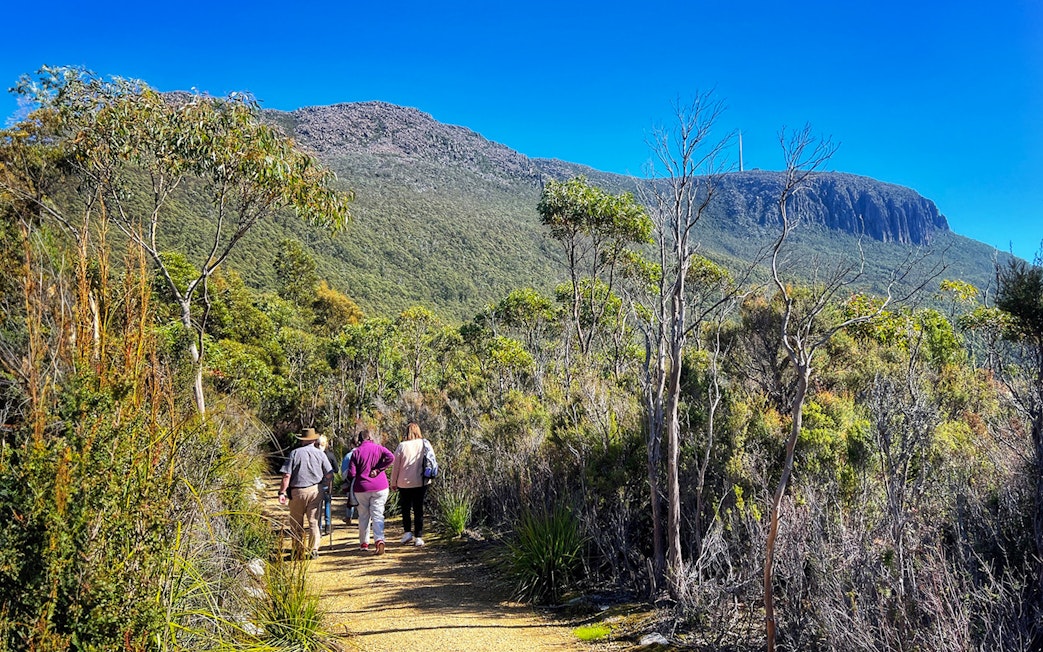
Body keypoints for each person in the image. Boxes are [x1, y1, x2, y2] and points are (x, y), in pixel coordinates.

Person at [278, 427, 333, 559]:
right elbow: (330, 474)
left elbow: (287, 475)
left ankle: (298, 550)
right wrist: (325, 485)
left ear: (302, 440)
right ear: (314, 440)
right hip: (315, 490)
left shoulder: (294, 453)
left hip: (298, 491)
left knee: (296, 522)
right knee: (313, 521)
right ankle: (313, 549)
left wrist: (282, 492)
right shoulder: (321, 454)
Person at [344, 426, 394, 554]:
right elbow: (391, 457)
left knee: (363, 515)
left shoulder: (356, 452)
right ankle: (379, 540)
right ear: (370, 437)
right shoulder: (378, 448)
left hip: (361, 488)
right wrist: (378, 469)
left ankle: (364, 543)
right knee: (378, 514)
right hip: (380, 486)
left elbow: (352, 473)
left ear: (359, 440)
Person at [390, 422, 435, 547]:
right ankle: (419, 536)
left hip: (404, 483)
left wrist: (393, 482)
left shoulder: (402, 446)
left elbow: (396, 467)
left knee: (405, 508)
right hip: (421, 481)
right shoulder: (425, 444)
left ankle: (407, 533)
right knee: (418, 508)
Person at [340, 432, 364, 524]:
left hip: (351, 480)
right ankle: (361, 519)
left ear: (351, 444)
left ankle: (348, 517)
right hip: (363, 480)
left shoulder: (348, 455)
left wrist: (346, 479)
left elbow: (344, 471)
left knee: (351, 500)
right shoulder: (363, 452)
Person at [317, 435, 338, 535]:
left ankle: (319, 528)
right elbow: (336, 470)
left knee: (318, 506)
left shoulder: (315, 455)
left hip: (318, 483)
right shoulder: (330, 455)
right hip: (328, 483)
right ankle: (328, 527)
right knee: (328, 504)